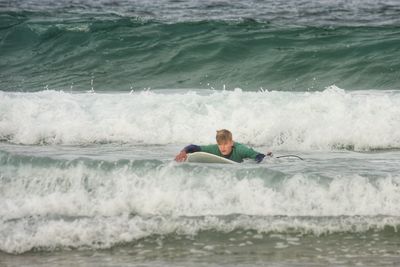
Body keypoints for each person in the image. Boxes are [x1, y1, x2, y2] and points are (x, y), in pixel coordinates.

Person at [175, 129, 272, 163]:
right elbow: (194, 147)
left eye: (225, 144)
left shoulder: (240, 149)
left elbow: (258, 157)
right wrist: (183, 152)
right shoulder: (214, 148)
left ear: (231, 143)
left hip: (244, 159)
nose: (223, 147)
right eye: (220, 144)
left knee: (265, 157)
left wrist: (263, 159)